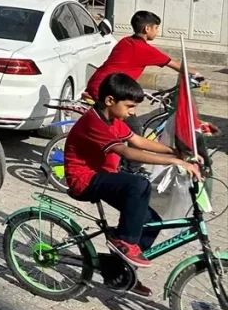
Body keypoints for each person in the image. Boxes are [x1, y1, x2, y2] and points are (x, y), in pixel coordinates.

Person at [64, 73, 202, 273]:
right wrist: (174, 161)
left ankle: (121, 272)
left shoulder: (113, 119)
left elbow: (138, 141)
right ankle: (125, 242)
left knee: (152, 220)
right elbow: (128, 152)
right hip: (84, 181)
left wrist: (177, 152)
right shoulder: (94, 123)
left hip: (105, 177)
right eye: (130, 106)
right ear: (110, 100)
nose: (133, 112)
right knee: (138, 184)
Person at [85, 11, 200, 131]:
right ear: (147, 28)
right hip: (107, 90)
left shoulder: (126, 41)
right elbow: (176, 65)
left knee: (121, 121)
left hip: (100, 83)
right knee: (134, 130)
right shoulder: (144, 49)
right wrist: (197, 75)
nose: (157, 31)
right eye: (156, 28)